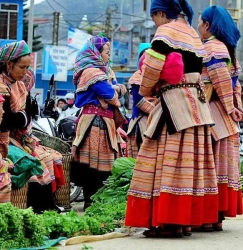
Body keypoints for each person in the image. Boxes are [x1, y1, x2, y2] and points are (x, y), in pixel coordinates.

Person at [125, 0, 219, 238]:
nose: (155, 22)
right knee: (189, 163)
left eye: (154, 17)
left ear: (160, 13)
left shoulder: (165, 32)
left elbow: (153, 67)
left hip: (173, 103)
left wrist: (147, 89)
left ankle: (169, 222)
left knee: (164, 158)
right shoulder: (192, 34)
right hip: (196, 104)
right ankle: (185, 221)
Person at [0, 40, 62, 213]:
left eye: (28, 67)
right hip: (0, 139)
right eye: (22, 67)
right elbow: (4, 121)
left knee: (46, 159)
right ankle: (38, 210)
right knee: (33, 164)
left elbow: (24, 116)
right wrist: (23, 118)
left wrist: (24, 120)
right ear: (9, 64)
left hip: (17, 137)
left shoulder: (19, 85)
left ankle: (46, 208)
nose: (25, 72)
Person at [197, 5, 243, 231]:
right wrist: (235, 108)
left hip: (212, 113)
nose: (197, 26)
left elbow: (221, 82)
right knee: (221, 168)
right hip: (227, 117)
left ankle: (208, 217)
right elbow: (235, 87)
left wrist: (228, 106)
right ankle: (215, 217)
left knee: (210, 167)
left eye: (199, 22)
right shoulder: (228, 50)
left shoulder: (212, 48)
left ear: (207, 25)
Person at [70, 35, 126, 210]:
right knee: (93, 166)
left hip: (104, 122)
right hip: (95, 123)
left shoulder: (105, 71)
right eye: (107, 52)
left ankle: (96, 202)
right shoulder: (91, 72)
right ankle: (90, 202)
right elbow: (111, 95)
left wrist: (115, 90)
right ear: (96, 53)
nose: (109, 56)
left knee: (102, 166)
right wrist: (116, 90)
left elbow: (113, 91)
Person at [126, 43, 154, 158]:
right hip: (142, 120)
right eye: (144, 56)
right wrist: (157, 111)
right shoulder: (137, 77)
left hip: (154, 119)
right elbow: (138, 100)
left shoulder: (155, 75)